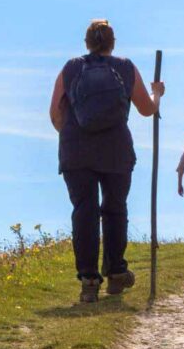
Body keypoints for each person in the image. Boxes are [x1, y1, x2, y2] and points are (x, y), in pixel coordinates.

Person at [49, 19, 165, 303]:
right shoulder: (124, 67)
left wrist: (73, 134)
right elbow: (147, 109)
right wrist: (157, 94)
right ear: (112, 43)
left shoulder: (71, 68)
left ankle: (89, 281)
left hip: (76, 151)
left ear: (87, 43)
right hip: (116, 150)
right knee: (114, 210)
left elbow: (55, 114)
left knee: (84, 213)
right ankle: (115, 274)